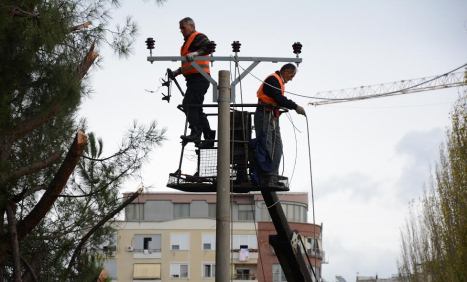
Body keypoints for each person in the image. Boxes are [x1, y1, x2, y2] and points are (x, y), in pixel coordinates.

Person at [254, 63, 306, 186]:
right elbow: (278, 98)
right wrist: (295, 107)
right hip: (264, 114)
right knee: (267, 146)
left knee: (277, 147)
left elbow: (277, 99)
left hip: (272, 116)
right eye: (291, 75)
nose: (291, 78)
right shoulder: (273, 79)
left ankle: (273, 175)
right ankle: (266, 176)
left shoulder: (278, 81)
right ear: (286, 71)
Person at [172, 17, 215, 148]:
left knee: (188, 104)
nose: (181, 31)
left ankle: (196, 132)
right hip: (193, 80)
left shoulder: (198, 37)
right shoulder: (186, 44)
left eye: (183, 28)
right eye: (180, 28)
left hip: (200, 78)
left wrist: (196, 53)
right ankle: (208, 136)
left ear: (191, 26)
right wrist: (177, 72)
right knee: (196, 108)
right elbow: (188, 64)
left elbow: (209, 47)